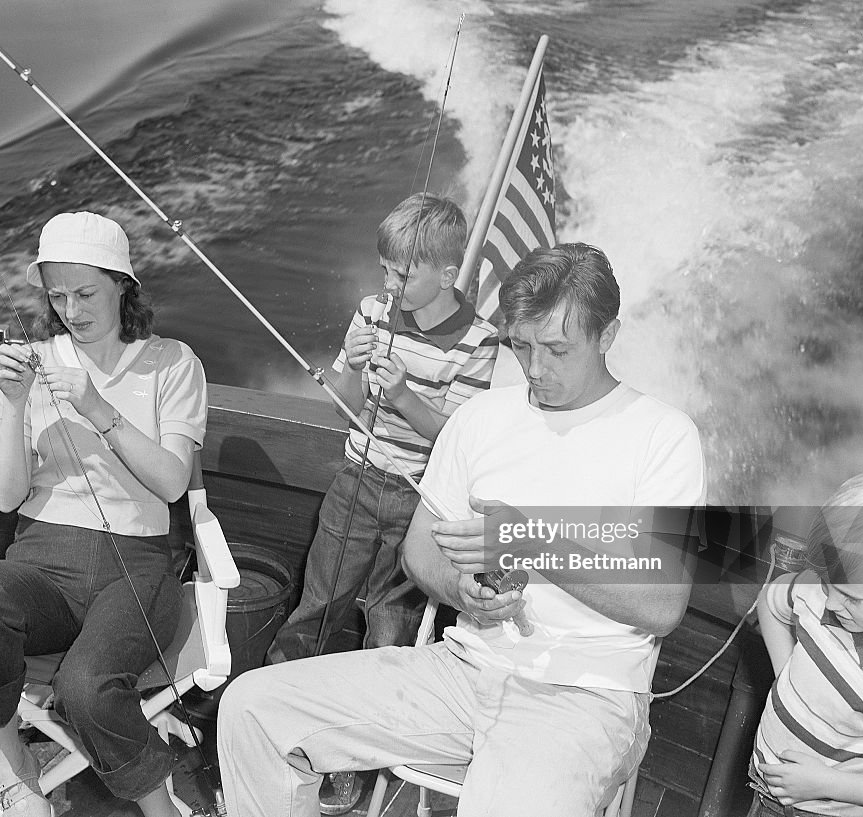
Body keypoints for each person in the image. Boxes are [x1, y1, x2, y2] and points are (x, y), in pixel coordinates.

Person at [217, 243, 705, 817]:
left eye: (557, 349)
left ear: (608, 334)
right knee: (253, 707)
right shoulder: (481, 418)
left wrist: (534, 541)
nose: (536, 369)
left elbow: (664, 605)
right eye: (521, 347)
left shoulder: (665, 436)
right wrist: (458, 588)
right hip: (461, 670)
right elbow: (420, 548)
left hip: (585, 696)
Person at [0, 211, 208, 817]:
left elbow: (171, 484)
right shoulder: (32, 363)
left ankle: (159, 806)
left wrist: (97, 408)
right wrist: (10, 408)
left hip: (136, 569)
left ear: (123, 285)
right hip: (42, 565)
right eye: (57, 295)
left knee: (86, 688)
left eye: (86, 293)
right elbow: (5, 499)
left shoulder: (172, 363)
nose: (71, 310)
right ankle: (13, 761)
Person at [266, 192, 498, 662]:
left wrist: (402, 396)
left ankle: (373, 715)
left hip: (420, 496)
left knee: (392, 624)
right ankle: (278, 688)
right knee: (317, 601)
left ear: (447, 277)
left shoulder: (479, 342)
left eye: (404, 275)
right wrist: (351, 369)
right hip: (357, 479)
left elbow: (452, 437)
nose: (389, 285)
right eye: (385, 270)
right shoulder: (371, 310)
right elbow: (344, 408)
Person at [749, 469, 863, 817]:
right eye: (827, 584)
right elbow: (771, 601)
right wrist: (787, 674)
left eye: (852, 598)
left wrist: (826, 783)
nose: (829, 603)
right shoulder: (818, 591)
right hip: (765, 783)